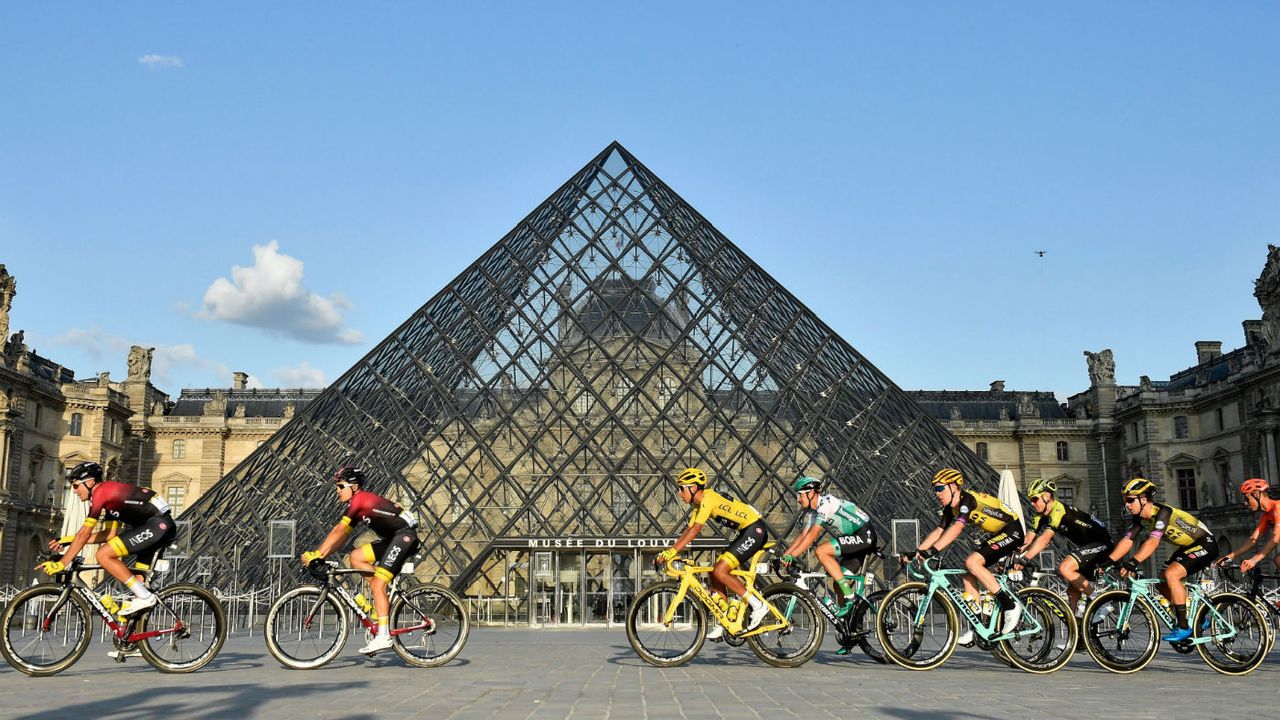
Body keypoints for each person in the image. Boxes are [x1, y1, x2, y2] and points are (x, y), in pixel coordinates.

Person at [301, 465, 420, 655]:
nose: (337, 491)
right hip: (392, 539)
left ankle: (383, 636)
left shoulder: (360, 500)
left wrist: (316, 553)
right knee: (355, 557)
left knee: (378, 584)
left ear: (354, 487)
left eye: (340, 487)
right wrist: (322, 555)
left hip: (404, 537)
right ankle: (379, 601)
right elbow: (341, 539)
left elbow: (338, 530)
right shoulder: (356, 508)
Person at [39, 461, 176, 619]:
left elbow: (84, 532)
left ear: (89, 482)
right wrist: (68, 539)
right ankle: (132, 636)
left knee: (103, 555)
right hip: (153, 526)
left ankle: (146, 597)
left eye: (76, 485)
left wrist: (62, 562)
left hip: (157, 526)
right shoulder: (111, 499)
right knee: (137, 591)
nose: (74, 491)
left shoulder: (101, 493)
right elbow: (109, 535)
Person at [908, 468, 1024, 642]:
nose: (937, 493)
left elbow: (957, 528)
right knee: (968, 573)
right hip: (998, 534)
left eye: (940, 488)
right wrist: (917, 552)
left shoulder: (967, 500)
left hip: (1012, 531)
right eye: (935, 489)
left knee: (972, 562)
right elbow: (939, 531)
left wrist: (933, 551)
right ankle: (977, 628)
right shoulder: (950, 508)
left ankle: (1011, 606)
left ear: (954, 486)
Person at [656, 467, 769, 638]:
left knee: (720, 570)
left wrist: (672, 552)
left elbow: (695, 531)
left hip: (754, 530)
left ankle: (758, 605)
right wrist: (668, 551)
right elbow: (687, 531)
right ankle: (726, 621)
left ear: (693, 488)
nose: (679, 494)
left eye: (681, 488)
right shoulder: (699, 504)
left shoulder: (708, 498)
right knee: (714, 573)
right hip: (746, 531)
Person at [1106, 477, 1218, 643]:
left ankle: (1183, 626)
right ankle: (1199, 620)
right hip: (1187, 547)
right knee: (1161, 582)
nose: (1127, 505)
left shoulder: (1162, 512)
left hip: (1205, 543)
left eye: (1130, 500)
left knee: (1172, 574)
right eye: (1125, 501)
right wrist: (1107, 561)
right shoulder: (1140, 518)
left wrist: (1133, 562)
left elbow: (1153, 542)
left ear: (1143, 500)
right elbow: (1128, 540)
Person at [1013, 478, 1114, 622]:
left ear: (1047, 496)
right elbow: (1028, 538)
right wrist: (1015, 554)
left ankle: (1101, 602)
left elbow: (1045, 538)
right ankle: (1076, 635)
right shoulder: (1039, 515)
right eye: (1030, 500)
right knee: (1072, 592)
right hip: (1087, 546)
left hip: (1102, 543)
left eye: (1035, 499)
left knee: (1065, 568)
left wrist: (1025, 559)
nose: (1032, 503)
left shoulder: (1058, 510)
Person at [779, 477, 877, 613]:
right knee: (838, 583)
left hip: (864, 535)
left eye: (800, 494)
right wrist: (786, 555)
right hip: (855, 540)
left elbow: (812, 536)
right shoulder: (814, 512)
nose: (798, 499)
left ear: (811, 493)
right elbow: (803, 536)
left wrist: (793, 556)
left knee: (822, 551)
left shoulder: (826, 504)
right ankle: (849, 619)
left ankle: (850, 596)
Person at [1216, 478, 1280, 574]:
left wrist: (1254, 560)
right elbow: (1253, 539)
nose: (1245, 503)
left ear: (1256, 495)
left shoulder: (1278, 507)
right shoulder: (1267, 515)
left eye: (1247, 498)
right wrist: (1230, 556)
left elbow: (1275, 539)